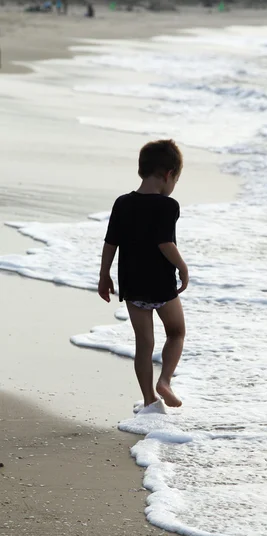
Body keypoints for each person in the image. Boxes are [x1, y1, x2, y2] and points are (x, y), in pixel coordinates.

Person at [98, 139, 188, 410]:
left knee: (144, 344)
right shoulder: (168, 206)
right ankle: (165, 381)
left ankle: (150, 398)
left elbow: (110, 242)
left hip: (132, 283)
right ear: (169, 174)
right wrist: (183, 268)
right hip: (160, 283)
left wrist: (104, 276)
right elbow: (165, 243)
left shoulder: (122, 203)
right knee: (176, 332)